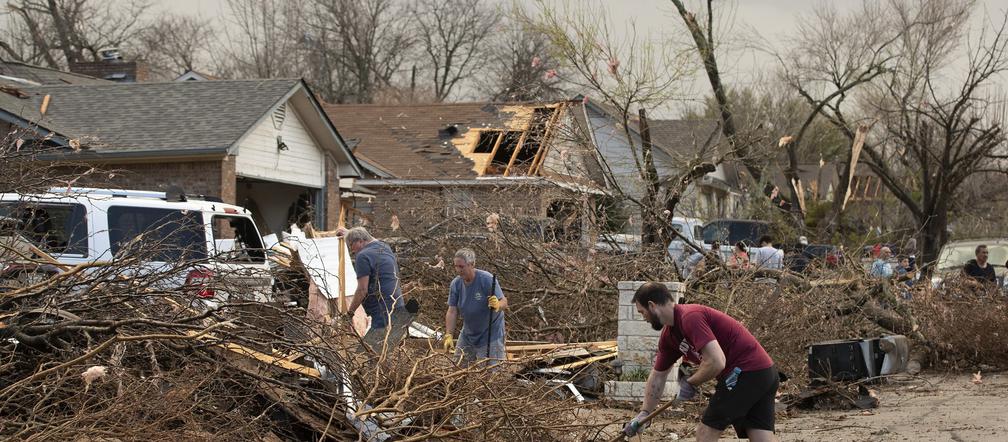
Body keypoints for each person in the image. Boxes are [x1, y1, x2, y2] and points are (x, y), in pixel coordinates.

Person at [622, 283, 778, 441]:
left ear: (652, 305)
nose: (644, 318)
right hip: (764, 373)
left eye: (642, 312)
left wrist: (690, 383)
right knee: (760, 434)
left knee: (705, 432)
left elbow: (716, 361)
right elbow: (658, 376)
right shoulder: (669, 337)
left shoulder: (690, 316)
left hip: (745, 373)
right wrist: (645, 414)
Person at [339, 226, 410, 352]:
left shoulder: (363, 256)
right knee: (384, 353)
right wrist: (349, 233)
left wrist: (350, 313)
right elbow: (369, 238)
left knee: (366, 355)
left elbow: (362, 290)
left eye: (351, 246)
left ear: (360, 241)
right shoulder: (384, 246)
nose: (351, 251)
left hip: (382, 312)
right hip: (398, 309)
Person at [443, 248, 507, 366]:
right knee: (458, 366)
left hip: (490, 333)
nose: (458, 270)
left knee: (491, 372)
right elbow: (452, 311)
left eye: (461, 267)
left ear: (472, 264)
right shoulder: (456, 284)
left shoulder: (486, 279)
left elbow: (504, 301)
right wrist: (449, 334)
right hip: (468, 332)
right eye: (456, 266)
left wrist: (498, 305)